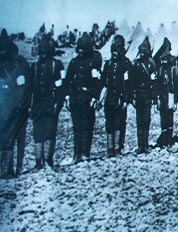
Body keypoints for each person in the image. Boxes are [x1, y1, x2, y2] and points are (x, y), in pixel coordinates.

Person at [64, 33, 102, 163]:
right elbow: (67, 80)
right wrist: (67, 97)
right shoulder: (74, 63)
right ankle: (77, 153)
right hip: (75, 97)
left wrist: (94, 98)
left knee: (87, 126)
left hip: (87, 97)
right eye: (79, 49)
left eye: (83, 49)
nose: (80, 52)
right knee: (77, 127)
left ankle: (85, 153)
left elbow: (97, 82)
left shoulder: (93, 62)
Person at [29, 34, 64, 169]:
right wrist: (30, 106)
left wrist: (58, 104)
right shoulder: (34, 67)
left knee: (50, 132)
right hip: (37, 104)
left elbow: (60, 87)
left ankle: (48, 160)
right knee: (38, 133)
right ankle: (38, 162)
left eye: (45, 52)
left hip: (50, 103)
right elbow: (30, 88)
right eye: (41, 52)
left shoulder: (56, 65)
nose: (43, 55)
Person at [0, 29, 31, 177]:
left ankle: (13, 168)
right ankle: (6, 169)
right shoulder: (14, 64)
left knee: (14, 139)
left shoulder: (18, 65)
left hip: (15, 109)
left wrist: (21, 106)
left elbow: (22, 88)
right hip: (6, 108)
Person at [99, 34, 132, 157]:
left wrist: (126, 99)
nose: (114, 53)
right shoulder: (108, 64)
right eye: (113, 50)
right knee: (109, 122)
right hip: (109, 98)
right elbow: (103, 82)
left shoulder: (126, 64)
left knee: (119, 123)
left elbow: (128, 84)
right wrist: (99, 99)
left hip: (120, 98)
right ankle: (110, 148)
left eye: (116, 50)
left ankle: (117, 148)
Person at [131, 37, 157, 155]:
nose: (142, 53)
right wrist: (133, 96)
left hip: (147, 95)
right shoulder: (136, 64)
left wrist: (154, 98)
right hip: (138, 95)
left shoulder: (151, 64)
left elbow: (154, 83)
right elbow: (132, 82)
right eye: (140, 51)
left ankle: (145, 145)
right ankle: (140, 145)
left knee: (146, 120)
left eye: (144, 51)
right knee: (139, 120)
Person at [154, 37, 177, 148]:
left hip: (170, 95)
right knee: (163, 119)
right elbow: (157, 85)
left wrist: (175, 100)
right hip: (163, 96)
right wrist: (157, 99)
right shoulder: (160, 69)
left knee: (170, 119)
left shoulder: (172, 66)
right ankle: (164, 141)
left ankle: (169, 141)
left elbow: (175, 84)